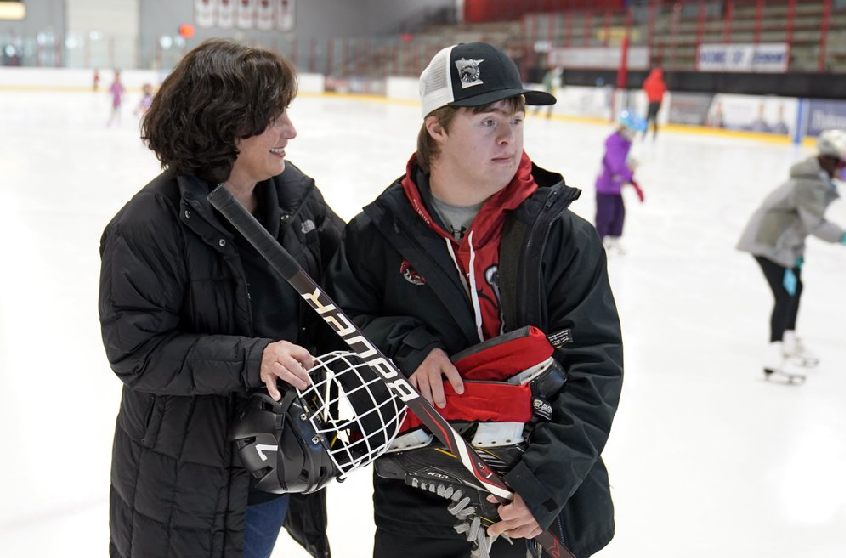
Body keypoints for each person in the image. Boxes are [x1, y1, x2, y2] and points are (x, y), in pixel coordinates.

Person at [327, 42, 624, 558]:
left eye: (516, 117)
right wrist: (405, 344)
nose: (508, 136)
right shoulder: (374, 235)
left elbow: (595, 367)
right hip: (420, 505)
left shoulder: (562, 237)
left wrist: (543, 487)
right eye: (487, 121)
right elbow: (338, 327)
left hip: (539, 510)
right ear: (436, 127)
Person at [98, 39, 343, 558]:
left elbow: (350, 282)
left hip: (270, 470)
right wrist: (255, 359)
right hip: (184, 489)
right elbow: (137, 354)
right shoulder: (145, 229)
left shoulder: (294, 198)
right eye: (274, 117)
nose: (290, 131)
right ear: (230, 126)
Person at [737, 129, 846, 380]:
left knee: (795, 288)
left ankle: (788, 341)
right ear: (831, 160)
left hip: (784, 244)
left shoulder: (817, 179)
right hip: (769, 243)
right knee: (785, 296)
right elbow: (813, 223)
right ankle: (773, 360)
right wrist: (842, 236)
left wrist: (797, 255)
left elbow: (798, 223)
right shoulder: (810, 183)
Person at [595, 110, 647, 254]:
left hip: (615, 187)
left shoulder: (625, 142)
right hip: (605, 187)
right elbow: (616, 166)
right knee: (605, 216)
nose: (635, 135)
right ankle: (598, 242)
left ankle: (614, 240)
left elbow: (621, 162)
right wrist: (630, 177)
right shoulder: (614, 142)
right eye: (634, 131)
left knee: (619, 213)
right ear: (625, 128)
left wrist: (630, 164)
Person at [642, 67, 666, 139]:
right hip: (658, 102)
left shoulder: (649, 81)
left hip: (651, 101)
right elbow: (663, 92)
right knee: (655, 118)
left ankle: (644, 133)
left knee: (647, 118)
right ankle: (655, 134)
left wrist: (649, 97)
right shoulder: (661, 82)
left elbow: (645, 88)